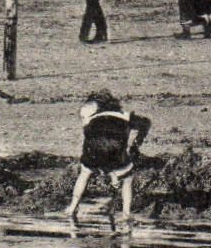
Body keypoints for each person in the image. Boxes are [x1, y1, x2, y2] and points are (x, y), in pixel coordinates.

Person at [63, 88, 150, 230]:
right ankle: (126, 214)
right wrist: (136, 142)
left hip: (93, 147)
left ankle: (72, 207)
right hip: (115, 148)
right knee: (127, 179)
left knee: (85, 173)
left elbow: (92, 138)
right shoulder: (125, 115)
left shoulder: (90, 119)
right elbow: (146, 123)